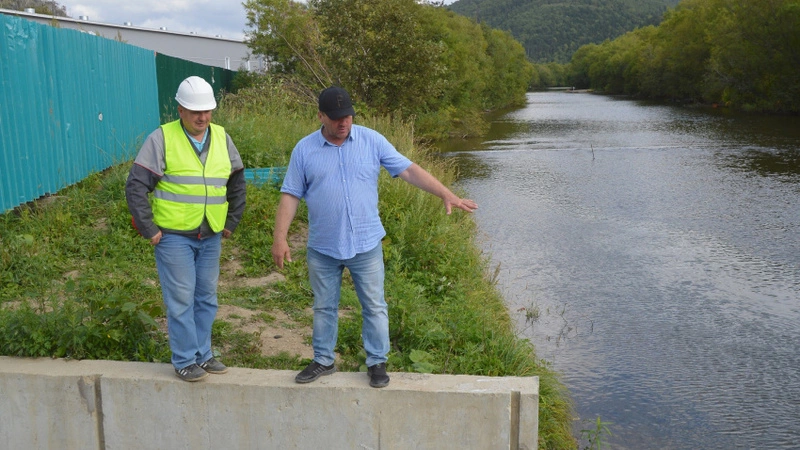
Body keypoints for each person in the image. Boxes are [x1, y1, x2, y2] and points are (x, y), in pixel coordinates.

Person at [272, 86, 478, 388]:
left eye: (348, 116)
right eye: (337, 117)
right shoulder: (304, 149)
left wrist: (446, 193)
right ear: (321, 116)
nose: (344, 122)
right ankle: (323, 360)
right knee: (324, 306)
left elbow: (408, 170)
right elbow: (290, 194)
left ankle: (377, 362)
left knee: (374, 306)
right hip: (323, 247)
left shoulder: (371, 141)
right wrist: (280, 237)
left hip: (366, 244)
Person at [125, 76, 247, 382]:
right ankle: (183, 359)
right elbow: (136, 186)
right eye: (195, 111)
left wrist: (231, 221)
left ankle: (203, 355)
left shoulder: (221, 137)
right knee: (181, 299)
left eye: (207, 111)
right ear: (180, 110)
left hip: (210, 235)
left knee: (206, 298)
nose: (202, 117)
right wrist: (149, 229)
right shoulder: (161, 138)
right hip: (173, 237)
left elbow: (237, 182)